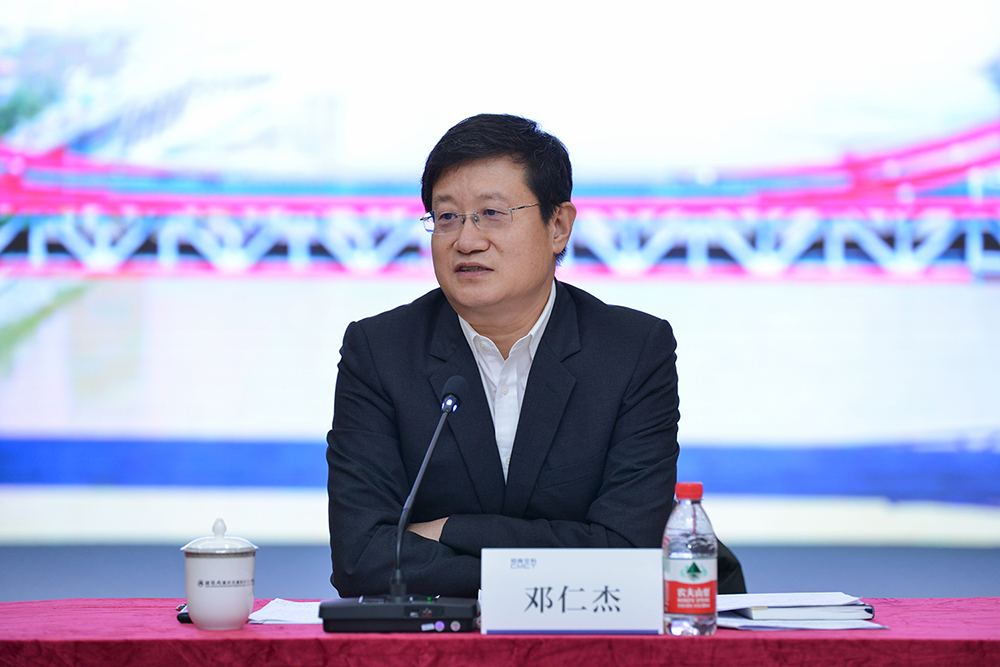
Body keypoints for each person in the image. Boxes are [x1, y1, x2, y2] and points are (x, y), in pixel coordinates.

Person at [327, 114, 745, 598]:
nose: (466, 240)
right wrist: (547, 565)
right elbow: (361, 559)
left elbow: (627, 552)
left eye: (492, 213)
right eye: (447, 217)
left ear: (558, 226)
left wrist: (451, 530)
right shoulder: (379, 351)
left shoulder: (631, 350)